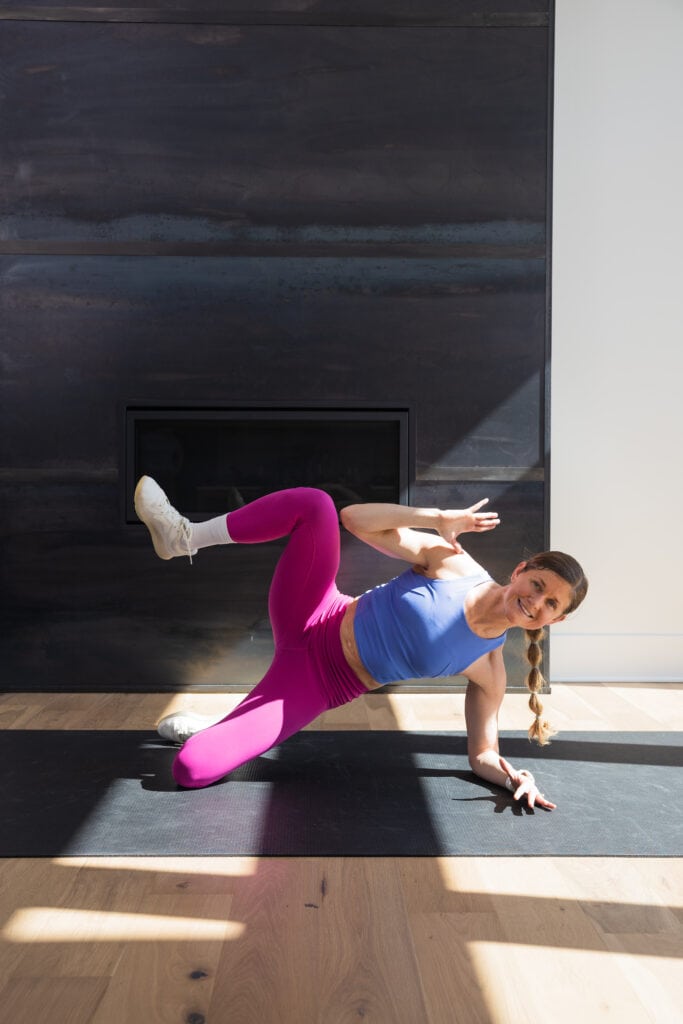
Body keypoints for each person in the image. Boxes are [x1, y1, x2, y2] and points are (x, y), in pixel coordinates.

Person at [134, 476, 588, 809]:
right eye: (538, 583)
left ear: (556, 620)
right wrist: (434, 519)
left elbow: (483, 754)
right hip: (315, 611)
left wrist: (513, 778)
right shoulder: (454, 563)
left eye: (550, 604)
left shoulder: (489, 668)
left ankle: (220, 729)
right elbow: (354, 520)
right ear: (521, 570)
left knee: (190, 769)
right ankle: (185, 537)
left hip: (316, 683)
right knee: (315, 504)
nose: (535, 601)